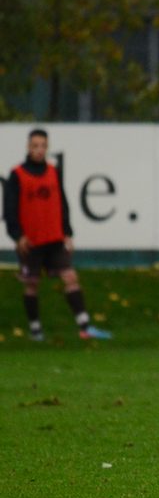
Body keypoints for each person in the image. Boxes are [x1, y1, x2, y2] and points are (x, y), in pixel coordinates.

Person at [4, 128, 112, 341]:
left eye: (43, 146)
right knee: (31, 283)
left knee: (70, 277)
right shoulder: (17, 175)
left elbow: (62, 203)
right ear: (28, 147)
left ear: (47, 147)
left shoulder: (54, 172)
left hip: (54, 237)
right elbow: (9, 209)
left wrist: (67, 232)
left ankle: (84, 327)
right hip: (31, 240)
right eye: (35, 145)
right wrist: (17, 235)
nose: (39, 150)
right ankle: (36, 330)